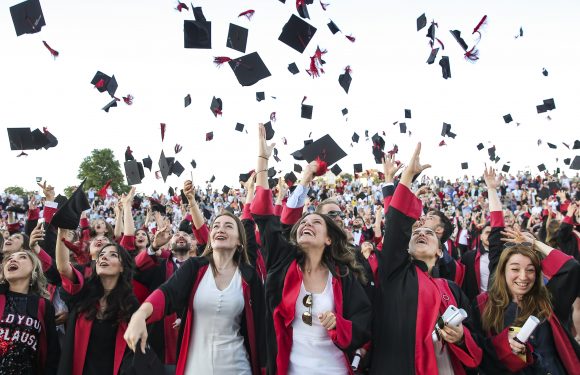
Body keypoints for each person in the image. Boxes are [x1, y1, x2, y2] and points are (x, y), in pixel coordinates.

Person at [250, 123, 371, 375]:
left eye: (316, 222)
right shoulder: (283, 265)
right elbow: (265, 215)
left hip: (335, 369)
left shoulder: (343, 276)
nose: (307, 223)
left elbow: (363, 322)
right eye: (304, 222)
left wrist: (340, 324)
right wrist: (264, 160)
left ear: (329, 239)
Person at [370, 143, 482, 374]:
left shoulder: (452, 288)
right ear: (406, 249)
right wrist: (406, 177)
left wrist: (461, 337)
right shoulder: (395, 275)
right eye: (416, 234)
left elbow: (475, 335)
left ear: (441, 251)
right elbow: (396, 228)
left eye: (429, 233)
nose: (421, 232)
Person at [124, 209, 266, 375]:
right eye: (216, 226)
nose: (220, 229)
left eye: (228, 226)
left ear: (240, 241)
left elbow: (261, 327)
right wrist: (140, 314)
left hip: (238, 367)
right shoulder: (194, 267)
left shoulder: (249, 277)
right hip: (195, 367)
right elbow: (167, 293)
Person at [472, 166, 580, 374]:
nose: (523, 277)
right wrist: (492, 191)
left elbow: (572, 267)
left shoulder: (547, 299)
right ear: (502, 271)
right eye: (515, 269)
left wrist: (535, 244)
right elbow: (496, 236)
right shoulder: (488, 305)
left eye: (531, 269)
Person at [55, 228, 139, 375]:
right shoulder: (83, 293)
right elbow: (63, 267)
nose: (104, 258)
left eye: (113, 255)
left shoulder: (130, 304)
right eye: (101, 255)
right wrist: (62, 232)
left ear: (122, 267)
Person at [0, 249, 60, 374]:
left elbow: (52, 352)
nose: (12, 259)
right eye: (9, 258)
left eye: (22, 257)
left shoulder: (44, 305)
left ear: (34, 269)